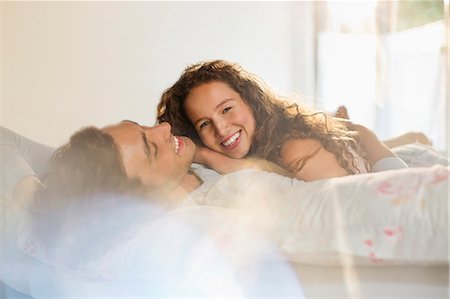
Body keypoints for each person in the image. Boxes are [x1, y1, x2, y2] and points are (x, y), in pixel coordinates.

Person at [157, 60, 408, 181]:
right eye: (204, 124)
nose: (221, 129)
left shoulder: (295, 150)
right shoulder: (269, 144)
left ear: (251, 101)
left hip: (383, 167)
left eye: (226, 109)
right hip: (357, 142)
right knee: (355, 130)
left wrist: (206, 155)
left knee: (369, 133)